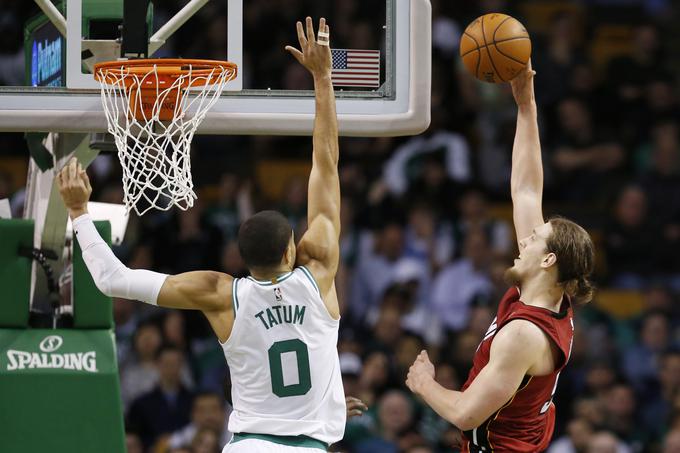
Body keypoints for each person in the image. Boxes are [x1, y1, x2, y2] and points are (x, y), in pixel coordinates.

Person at [58, 17, 348, 453]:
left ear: (242, 257)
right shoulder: (319, 271)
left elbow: (112, 281)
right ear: (295, 248)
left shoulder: (219, 291)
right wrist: (322, 79)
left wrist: (79, 211)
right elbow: (324, 164)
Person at [405, 61, 595, 452]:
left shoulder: (524, 334)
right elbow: (525, 189)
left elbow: (465, 414)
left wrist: (424, 384)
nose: (523, 241)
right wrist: (526, 105)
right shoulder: (554, 296)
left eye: (534, 239)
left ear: (548, 261)